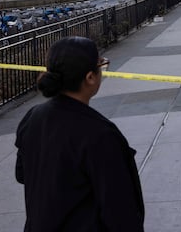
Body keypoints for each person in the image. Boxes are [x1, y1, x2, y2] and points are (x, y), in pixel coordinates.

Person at [15, 36, 145, 231]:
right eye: (101, 65)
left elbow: (22, 174)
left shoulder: (33, 117)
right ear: (90, 77)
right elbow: (120, 210)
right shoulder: (100, 134)